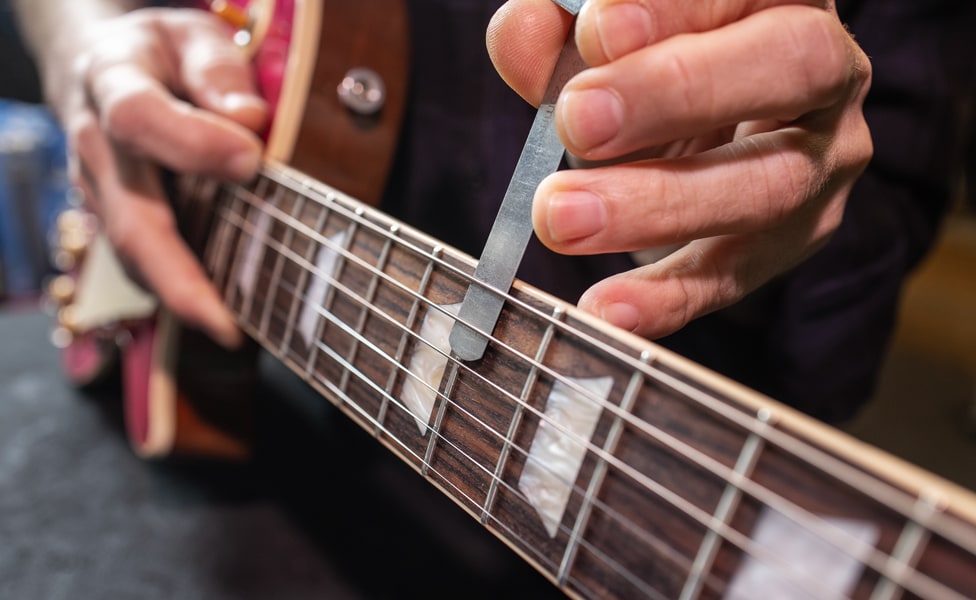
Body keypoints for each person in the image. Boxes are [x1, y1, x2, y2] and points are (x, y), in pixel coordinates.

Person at [12, 0, 975, 424]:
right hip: (224, 429)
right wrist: (84, 48)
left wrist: (787, 172)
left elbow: (874, 190)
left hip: (549, 455)